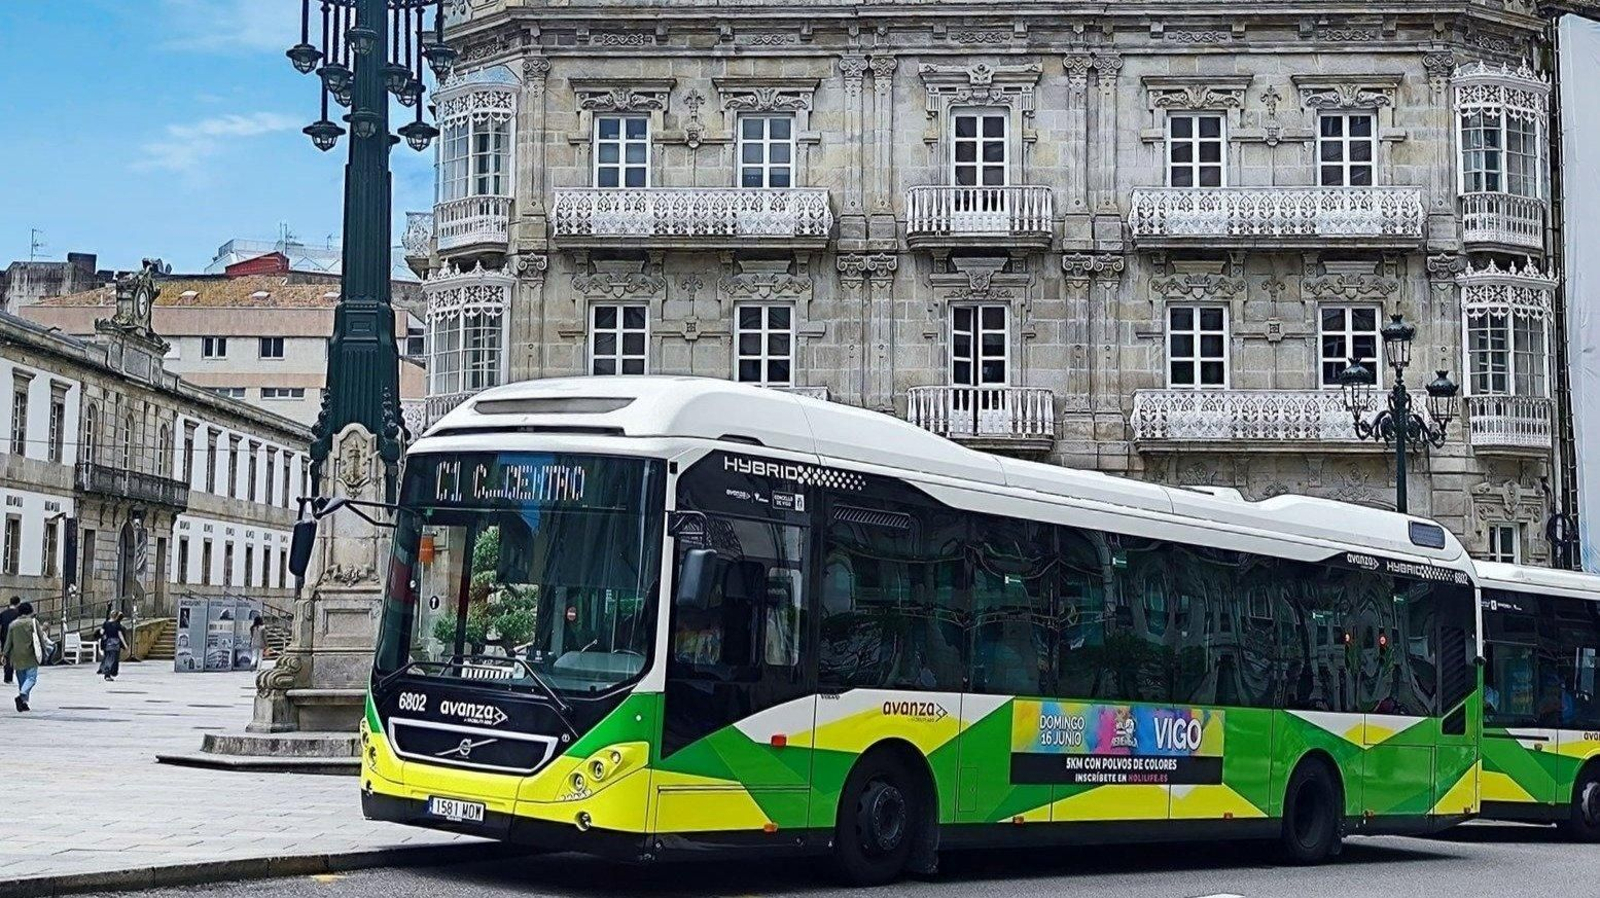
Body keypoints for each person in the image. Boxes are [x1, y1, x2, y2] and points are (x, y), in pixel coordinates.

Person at [1, 602, 43, 712]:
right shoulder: (33, 623)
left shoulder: (13, 625)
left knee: (22, 680)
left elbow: (8, 642)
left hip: (16, 656)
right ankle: (22, 696)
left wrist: (4, 654)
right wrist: (44, 650)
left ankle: (24, 703)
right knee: (31, 679)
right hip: (31, 655)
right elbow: (40, 638)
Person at [97, 611, 128, 681]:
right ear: (116, 616)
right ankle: (108, 673)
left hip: (107, 642)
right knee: (113, 659)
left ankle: (106, 672)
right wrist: (125, 645)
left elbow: (101, 632)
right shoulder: (117, 624)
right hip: (115, 643)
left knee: (107, 657)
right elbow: (120, 635)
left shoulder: (106, 623)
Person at [0, 597, 20, 685]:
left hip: (4, 637)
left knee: (6, 657)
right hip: (15, 638)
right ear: (18, 603)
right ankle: (11, 677)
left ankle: (7, 677)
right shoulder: (18, 614)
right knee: (13, 658)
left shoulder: (3, 613)